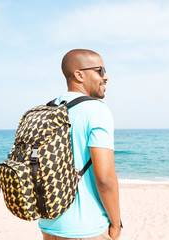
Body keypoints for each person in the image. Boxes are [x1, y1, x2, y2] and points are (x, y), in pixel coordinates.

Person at [38, 49, 121, 240]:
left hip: (49, 223)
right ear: (79, 75)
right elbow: (105, 178)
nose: (106, 77)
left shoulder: (48, 109)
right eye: (100, 71)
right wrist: (116, 223)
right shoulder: (96, 110)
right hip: (86, 229)